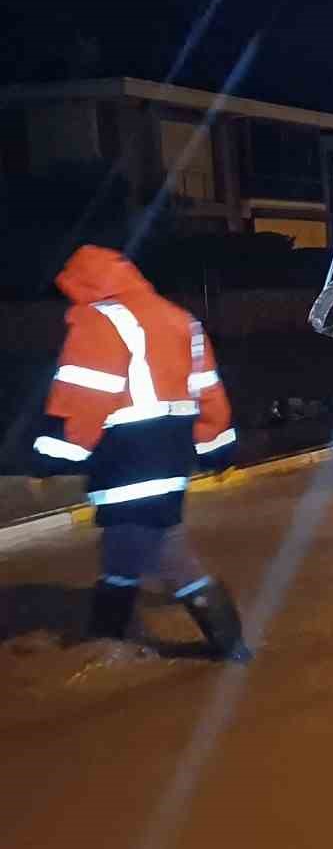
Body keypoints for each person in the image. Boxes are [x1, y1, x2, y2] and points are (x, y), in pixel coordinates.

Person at [31, 244, 250, 661]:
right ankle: (105, 638)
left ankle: (230, 646)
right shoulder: (181, 319)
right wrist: (216, 448)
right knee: (123, 548)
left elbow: (83, 396)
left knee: (166, 548)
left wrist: (52, 457)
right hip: (170, 451)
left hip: (126, 454)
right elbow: (208, 392)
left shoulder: (99, 320)